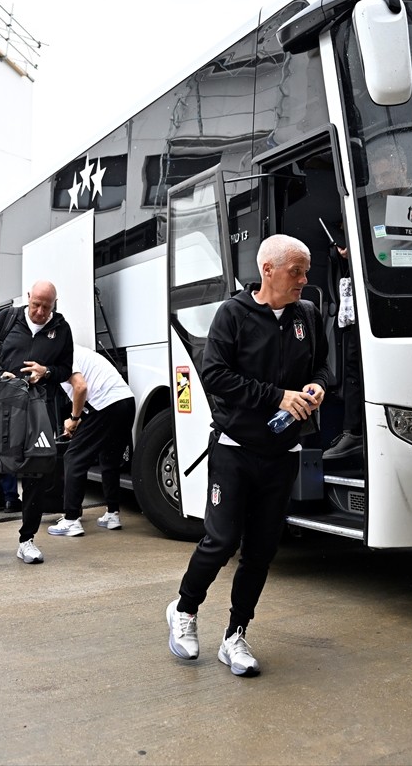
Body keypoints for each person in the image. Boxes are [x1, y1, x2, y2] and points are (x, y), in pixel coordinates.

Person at [166, 234, 329, 677]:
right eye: (296, 271)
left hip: (283, 452)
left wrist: (316, 386)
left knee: (260, 550)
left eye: (306, 271)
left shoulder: (307, 315)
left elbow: (322, 366)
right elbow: (215, 375)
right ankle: (184, 609)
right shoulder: (232, 314)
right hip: (234, 450)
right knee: (221, 541)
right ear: (268, 270)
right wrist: (278, 396)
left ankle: (235, 635)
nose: (304, 279)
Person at [324, 139, 412, 461]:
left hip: (409, 296)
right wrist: (349, 253)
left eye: (386, 174)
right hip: (371, 294)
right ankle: (355, 433)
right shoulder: (367, 206)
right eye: (377, 176)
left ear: (402, 167)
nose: (381, 182)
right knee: (355, 362)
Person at [0, 280, 73, 564]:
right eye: (36, 304)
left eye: (46, 307)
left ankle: (27, 540)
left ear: (54, 304)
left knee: (37, 471)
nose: (40, 312)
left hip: (37, 408)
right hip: (0, 403)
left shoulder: (61, 328)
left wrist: (46, 371)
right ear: (28, 298)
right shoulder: (7, 319)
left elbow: (66, 369)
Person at [46, 344, 136, 537]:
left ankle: (71, 519)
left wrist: (74, 419)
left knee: (73, 458)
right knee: (109, 459)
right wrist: (77, 419)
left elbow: (81, 387)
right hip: (126, 402)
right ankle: (112, 514)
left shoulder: (60, 353)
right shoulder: (76, 351)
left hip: (106, 405)